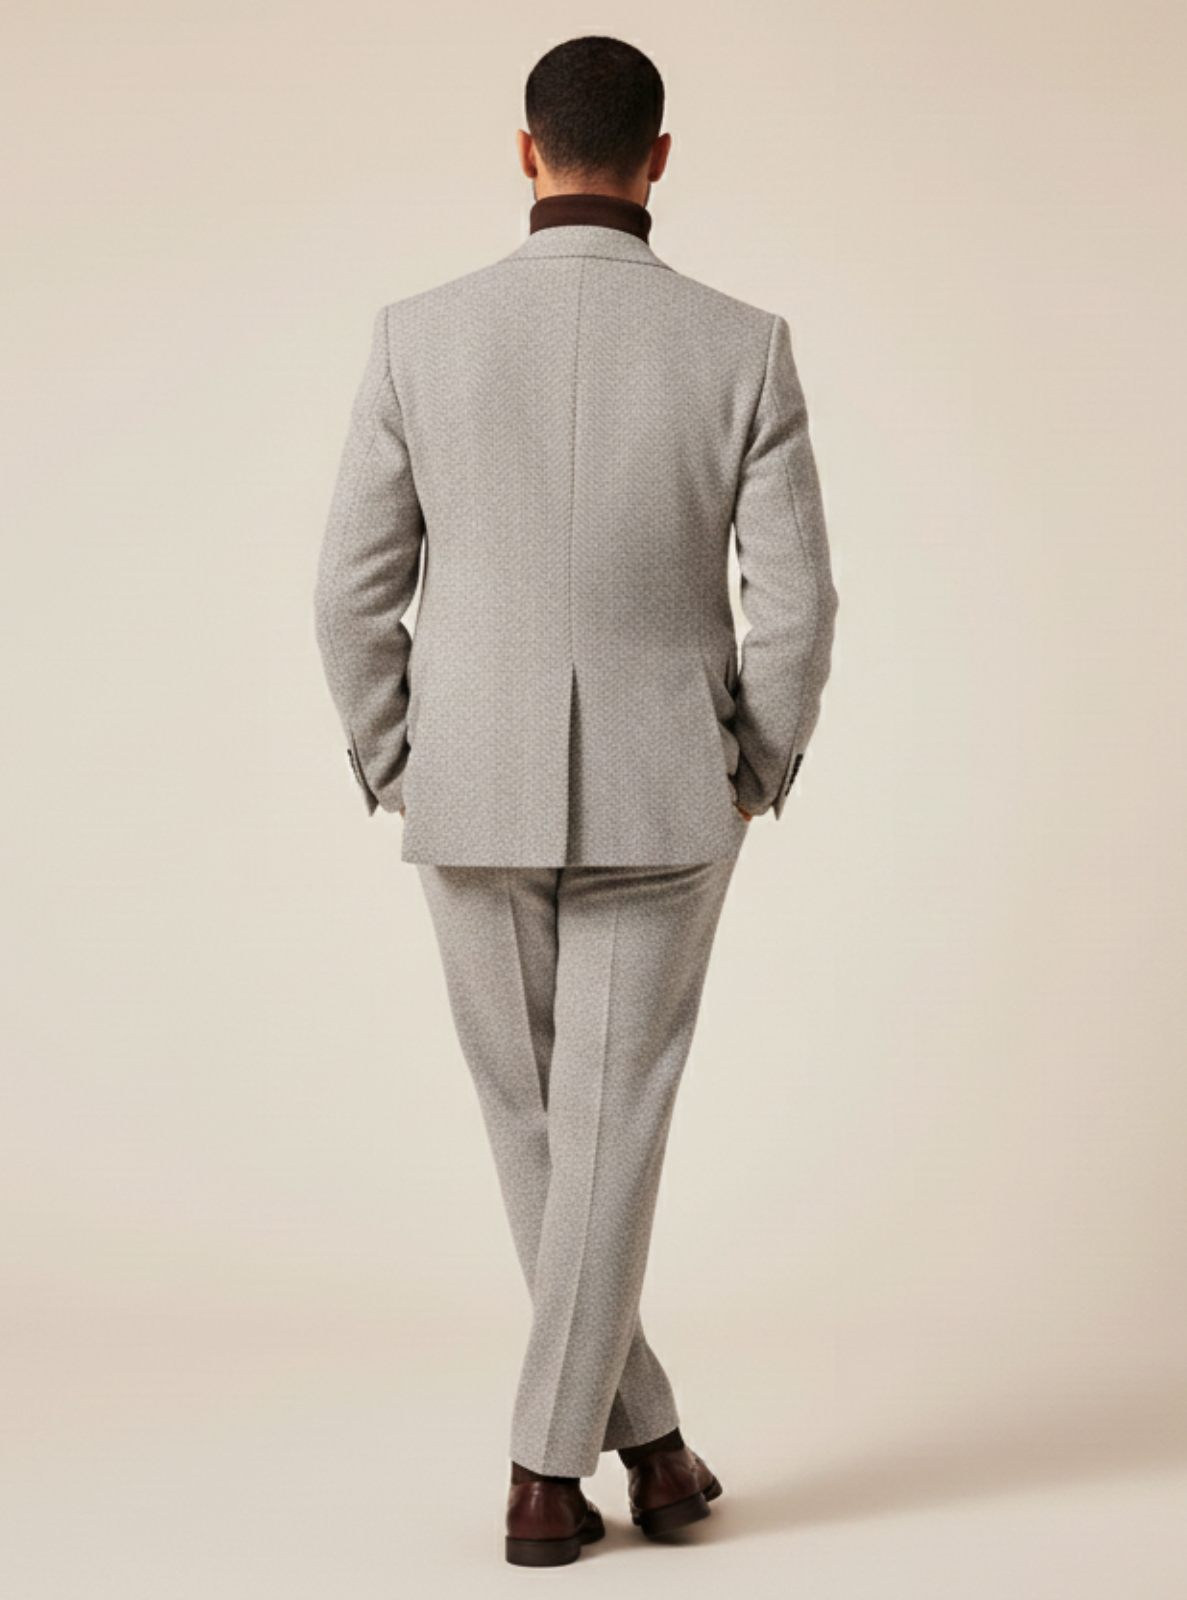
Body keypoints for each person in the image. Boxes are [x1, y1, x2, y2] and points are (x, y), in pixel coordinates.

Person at [313, 33, 839, 1568]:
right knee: (609, 1123)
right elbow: (798, 607)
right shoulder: (743, 345)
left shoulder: (417, 337)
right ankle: (612, 1453)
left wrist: (399, 758)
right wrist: (751, 765)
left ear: (524, 150)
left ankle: (587, 1462)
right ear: (659, 158)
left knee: (537, 1122)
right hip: (669, 788)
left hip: (466, 783)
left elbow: (348, 594)